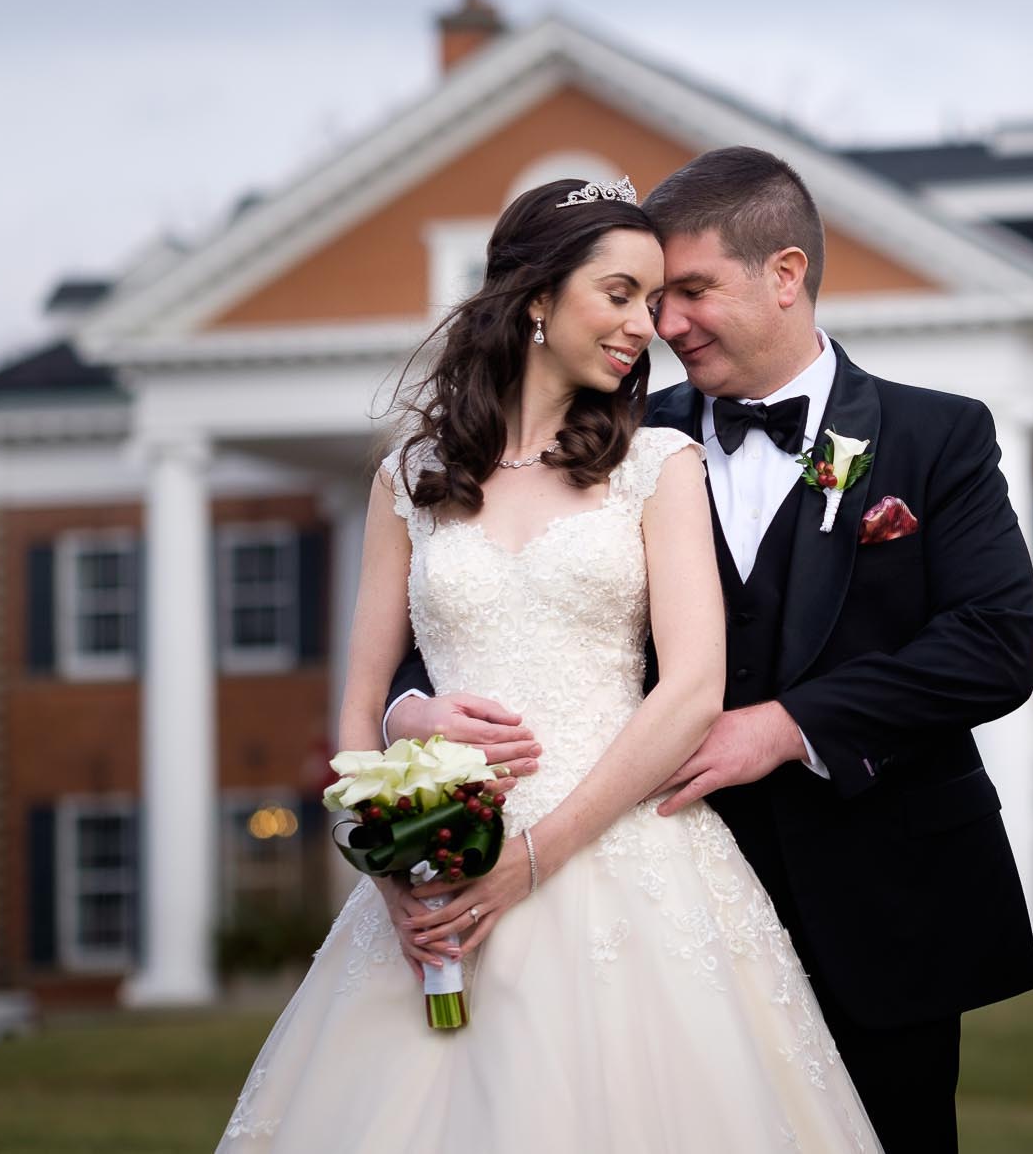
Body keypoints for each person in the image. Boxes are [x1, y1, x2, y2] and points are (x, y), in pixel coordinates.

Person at [384, 146, 1033, 1151]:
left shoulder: (934, 436)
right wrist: (408, 711)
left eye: (689, 290)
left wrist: (787, 726)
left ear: (784, 275)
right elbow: (469, 607)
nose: (661, 324)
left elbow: (994, 642)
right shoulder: (615, 441)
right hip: (653, 908)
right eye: (649, 294)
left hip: (881, 900)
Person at [219, 175, 880, 1151]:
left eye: (651, 304)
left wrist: (537, 854)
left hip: (623, 854)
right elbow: (360, 704)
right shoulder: (408, 481)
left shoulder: (659, 465)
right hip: (443, 878)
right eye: (618, 294)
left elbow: (693, 686)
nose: (642, 326)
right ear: (536, 296)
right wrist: (398, 874)